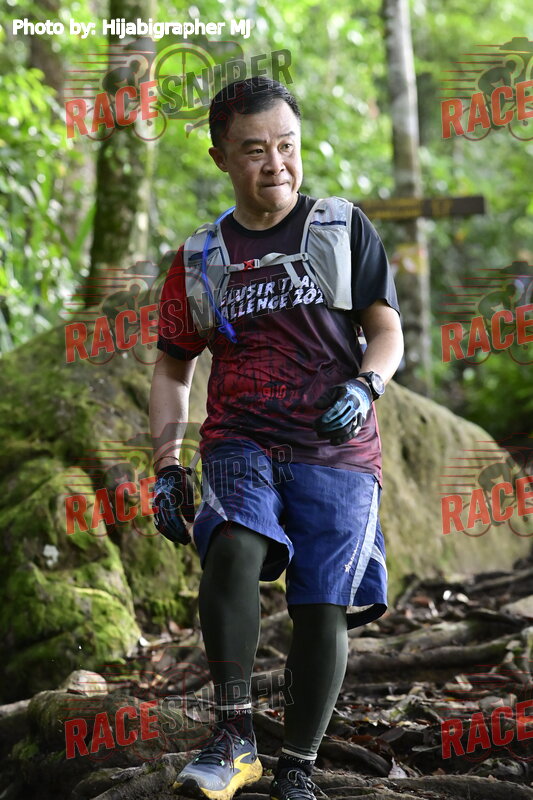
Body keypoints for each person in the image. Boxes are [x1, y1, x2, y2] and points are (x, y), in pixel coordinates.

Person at [149, 76, 404, 800]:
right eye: (254, 150)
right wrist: (166, 465)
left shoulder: (341, 227)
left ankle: (298, 766)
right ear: (220, 157)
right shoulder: (200, 257)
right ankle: (234, 738)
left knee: (322, 604)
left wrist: (366, 385)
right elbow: (172, 368)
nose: (275, 165)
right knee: (231, 544)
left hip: (338, 448)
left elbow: (385, 329)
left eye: (286, 146)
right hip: (241, 440)